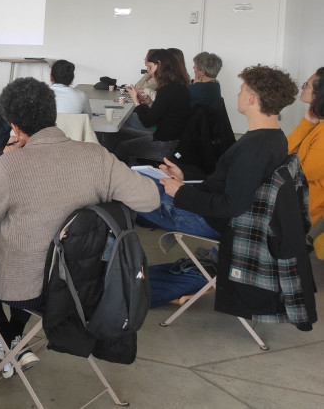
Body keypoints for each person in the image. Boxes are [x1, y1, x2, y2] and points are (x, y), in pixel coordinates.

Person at [0, 78, 158, 377]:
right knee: (34, 256)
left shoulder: (11, 165)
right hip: (79, 285)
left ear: (14, 127)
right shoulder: (96, 156)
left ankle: (7, 338)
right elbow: (149, 199)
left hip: (26, 289)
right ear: (54, 115)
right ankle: (15, 338)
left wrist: (2, 160)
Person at [159, 65, 300, 318]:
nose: (237, 95)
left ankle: (113, 281)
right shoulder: (274, 137)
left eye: (241, 90)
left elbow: (232, 205)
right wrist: (184, 179)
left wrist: (180, 193)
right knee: (136, 189)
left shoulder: (253, 149)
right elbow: (228, 182)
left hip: (213, 219)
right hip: (209, 205)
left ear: (251, 98)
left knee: (125, 199)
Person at [114, 48, 192, 163]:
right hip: (170, 138)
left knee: (122, 148)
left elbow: (147, 122)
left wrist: (135, 100)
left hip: (166, 145)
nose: (149, 72)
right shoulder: (177, 86)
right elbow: (161, 114)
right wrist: (149, 103)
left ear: (159, 65)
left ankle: (132, 177)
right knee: (120, 133)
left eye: (150, 67)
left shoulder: (167, 90)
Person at [289, 67, 324, 227]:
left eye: (307, 85)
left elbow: (303, 174)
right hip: (296, 199)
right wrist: (307, 122)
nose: (302, 88)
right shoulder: (316, 124)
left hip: (306, 211)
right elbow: (287, 151)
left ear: (319, 94)